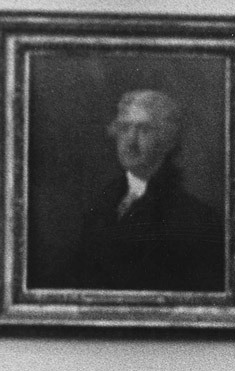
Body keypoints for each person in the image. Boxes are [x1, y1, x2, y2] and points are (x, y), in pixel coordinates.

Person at [67, 89, 225, 292]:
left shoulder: (196, 218)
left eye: (144, 130)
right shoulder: (101, 203)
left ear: (167, 140)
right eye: (124, 128)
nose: (130, 141)